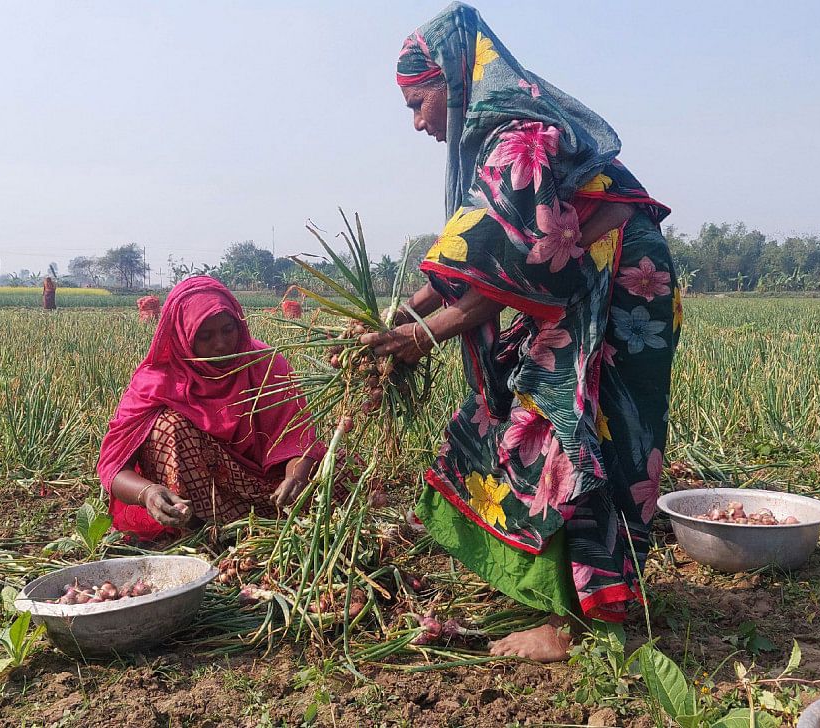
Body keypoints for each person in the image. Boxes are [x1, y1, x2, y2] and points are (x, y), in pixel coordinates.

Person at [360, 2, 681, 662]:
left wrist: (424, 335)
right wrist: (409, 313)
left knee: (579, 429)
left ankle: (584, 621)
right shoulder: (494, 136)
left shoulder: (515, 137)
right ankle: (569, 593)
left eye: (419, 102)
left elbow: (519, 266)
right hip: (574, 283)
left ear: (453, 79)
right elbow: (481, 252)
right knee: (519, 409)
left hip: (615, 284)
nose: (418, 122)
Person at [96, 276, 327, 541]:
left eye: (228, 330)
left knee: (339, 465)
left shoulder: (266, 364)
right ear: (182, 335)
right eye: (205, 336)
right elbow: (113, 467)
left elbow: (300, 434)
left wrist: (295, 477)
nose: (220, 344)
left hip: (270, 489)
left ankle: (270, 521)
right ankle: (201, 530)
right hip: (202, 502)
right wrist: (148, 493)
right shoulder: (157, 380)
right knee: (168, 426)